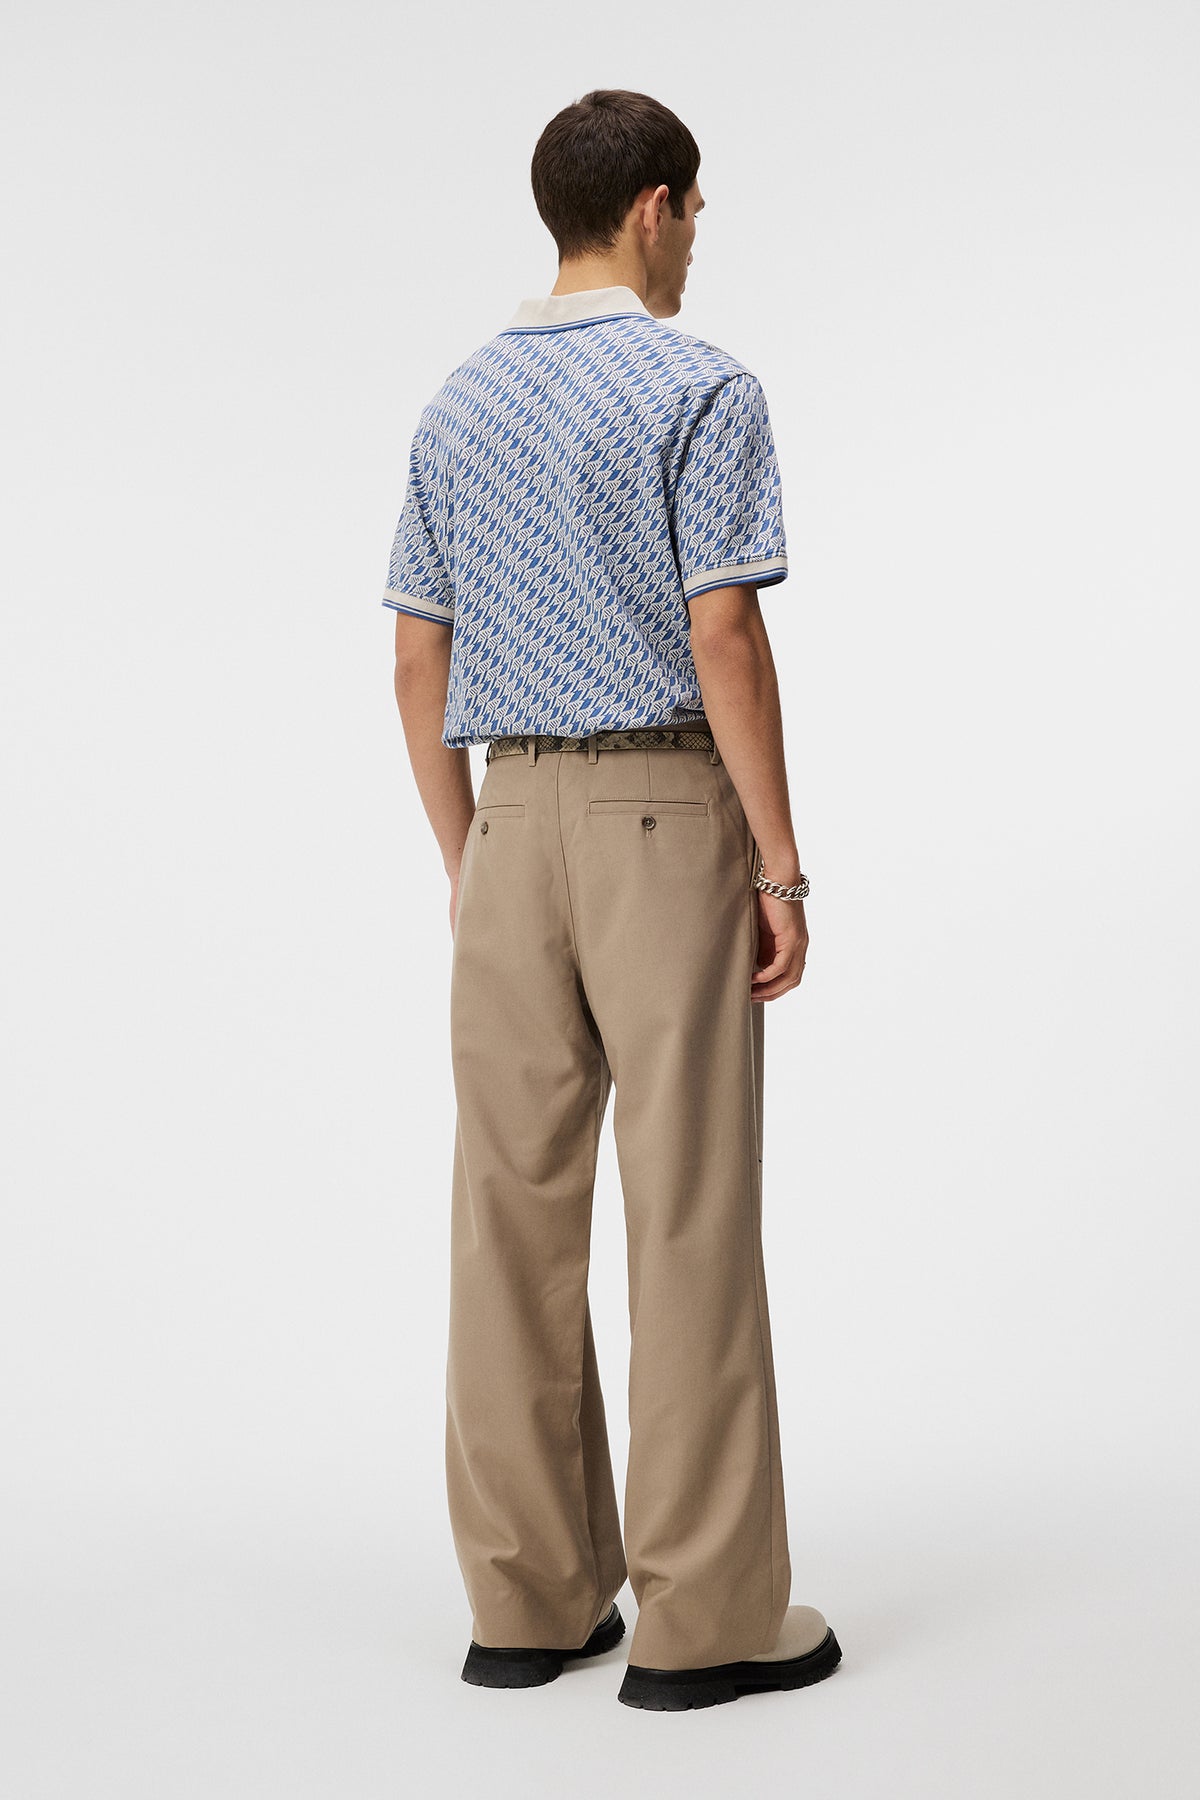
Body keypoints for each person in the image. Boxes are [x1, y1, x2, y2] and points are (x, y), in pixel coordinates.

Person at [383, 87, 842, 1713]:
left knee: (508, 1214)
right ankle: (705, 1622)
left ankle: (527, 1602)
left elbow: (417, 659)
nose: (697, 238)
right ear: (654, 206)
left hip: (510, 819)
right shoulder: (700, 385)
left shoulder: (459, 402)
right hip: (662, 816)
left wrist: (471, 855)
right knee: (688, 1208)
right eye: (695, 210)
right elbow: (724, 634)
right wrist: (778, 864)